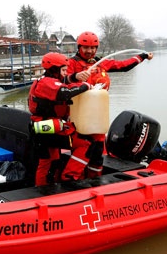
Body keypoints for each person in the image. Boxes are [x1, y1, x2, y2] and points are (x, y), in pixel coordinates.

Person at [61, 31, 153, 181]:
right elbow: (60, 81)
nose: (89, 51)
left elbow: (122, 66)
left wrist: (142, 57)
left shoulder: (100, 62)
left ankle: (94, 178)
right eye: (85, 47)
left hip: (97, 112)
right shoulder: (71, 63)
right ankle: (71, 179)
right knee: (84, 147)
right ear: (79, 47)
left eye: (93, 47)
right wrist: (74, 77)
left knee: (97, 148)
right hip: (78, 113)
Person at [28, 52, 91, 186]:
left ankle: (47, 188)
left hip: (44, 128)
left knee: (51, 161)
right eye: (63, 70)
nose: (65, 73)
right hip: (47, 129)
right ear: (54, 70)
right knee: (85, 144)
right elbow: (65, 92)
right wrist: (86, 86)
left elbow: (63, 82)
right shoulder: (46, 83)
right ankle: (69, 177)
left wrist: (75, 77)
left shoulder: (46, 80)